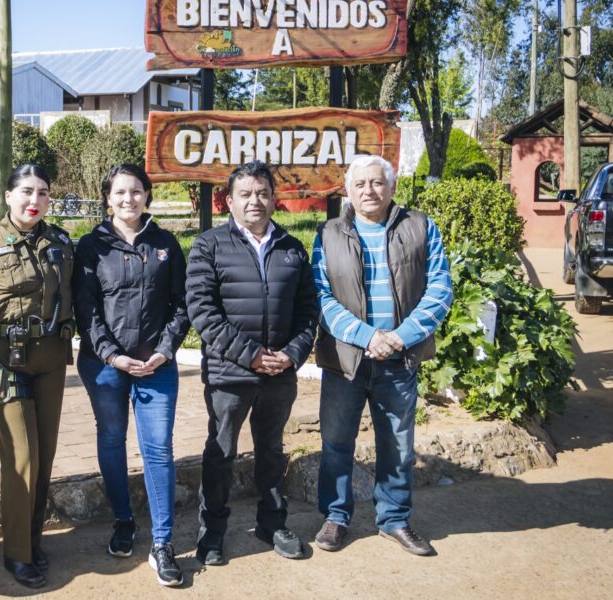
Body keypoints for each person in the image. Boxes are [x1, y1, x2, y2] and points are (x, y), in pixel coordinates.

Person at [311, 155, 453, 556]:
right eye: (360, 185)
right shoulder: (328, 234)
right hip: (346, 360)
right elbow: (320, 296)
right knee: (337, 441)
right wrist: (365, 335)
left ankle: (395, 519)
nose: (368, 191)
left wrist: (399, 337)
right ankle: (336, 516)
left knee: (398, 445)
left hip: (398, 360)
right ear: (347, 191)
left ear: (392, 187)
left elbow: (440, 288)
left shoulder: (420, 227)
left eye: (377, 183)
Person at [186, 160, 319, 566]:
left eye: (262, 192)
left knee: (272, 452)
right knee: (221, 453)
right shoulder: (209, 245)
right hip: (230, 374)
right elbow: (202, 312)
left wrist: (292, 354)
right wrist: (251, 356)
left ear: (274, 198)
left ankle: (272, 523)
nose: (254, 201)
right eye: (245, 194)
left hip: (279, 375)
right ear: (229, 200)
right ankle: (212, 533)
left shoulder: (292, 247)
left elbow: (308, 311)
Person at [0, 164, 75, 588]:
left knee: (44, 459)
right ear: (7, 196)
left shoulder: (60, 243)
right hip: (5, 363)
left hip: (52, 361)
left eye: (42, 192)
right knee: (22, 457)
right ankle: (17, 554)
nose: (34, 200)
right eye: (25, 191)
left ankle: (32, 539)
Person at [73, 164, 190, 587]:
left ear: (147, 196)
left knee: (158, 449)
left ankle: (162, 542)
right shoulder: (90, 246)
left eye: (136, 191)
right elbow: (84, 309)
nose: (129, 199)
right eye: (120, 192)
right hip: (104, 366)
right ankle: (124, 520)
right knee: (111, 439)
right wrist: (111, 355)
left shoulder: (166, 244)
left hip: (156, 366)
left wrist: (164, 351)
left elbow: (182, 304)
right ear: (108, 198)